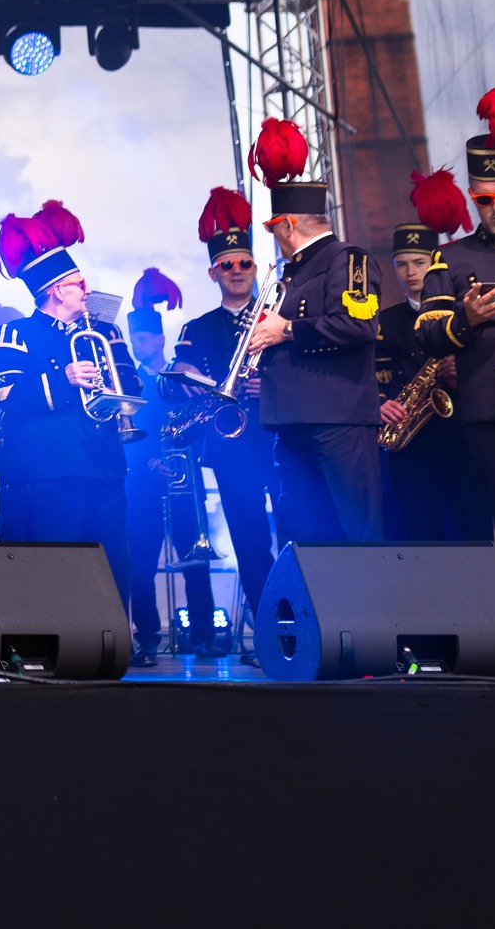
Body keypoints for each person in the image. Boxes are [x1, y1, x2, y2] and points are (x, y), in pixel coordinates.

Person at [0, 200, 140, 608]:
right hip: (49, 475)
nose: (88, 290)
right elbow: (6, 399)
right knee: (54, 583)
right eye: (80, 284)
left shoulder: (102, 331)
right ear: (57, 290)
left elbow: (131, 383)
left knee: (112, 576)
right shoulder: (15, 333)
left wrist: (115, 366)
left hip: (105, 470)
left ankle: (114, 642)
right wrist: (63, 379)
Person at [244, 119, 383, 543]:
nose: (273, 236)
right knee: (305, 536)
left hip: (337, 421)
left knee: (357, 533)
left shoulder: (348, 259)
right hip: (290, 423)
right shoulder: (291, 272)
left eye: (272, 227)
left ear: (287, 224)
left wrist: (285, 330)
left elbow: (360, 324)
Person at [416, 78, 495, 596]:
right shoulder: (451, 258)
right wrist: (466, 320)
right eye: (484, 200)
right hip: (493, 411)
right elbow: (427, 333)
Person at [169, 186, 278, 663]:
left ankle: (305, 628)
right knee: (250, 543)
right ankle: (271, 636)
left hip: (283, 441)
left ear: (255, 268)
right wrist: (183, 375)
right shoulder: (197, 328)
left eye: (245, 263)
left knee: (298, 536)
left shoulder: (278, 317)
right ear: (213, 272)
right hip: (233, 451)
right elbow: (170, 387)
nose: (237, 271)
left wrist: (271, 386)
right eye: (227, 265)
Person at [378, 174, 486, 541]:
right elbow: (376, 374)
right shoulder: (385, 320)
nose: (410, 272)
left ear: (435, 263)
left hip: (460, 436)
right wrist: (382, 402)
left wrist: (462, 372)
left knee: (472, 527)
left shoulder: (463, 312)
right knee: (421, 532)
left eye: (419, 263)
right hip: (410, 440)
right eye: (402, 264)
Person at [121, 269, 216, 662]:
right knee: (140, 564)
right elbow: (123, 432)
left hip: (183, 480)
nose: (136, 346)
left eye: (142, 339)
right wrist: (148, 462)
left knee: (196, 559)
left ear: (160, 339)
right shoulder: (127, 381)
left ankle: (205, 637)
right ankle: (147, 637)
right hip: (142, 484)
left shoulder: (180, 376)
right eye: (133, 340)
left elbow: (199, 419)